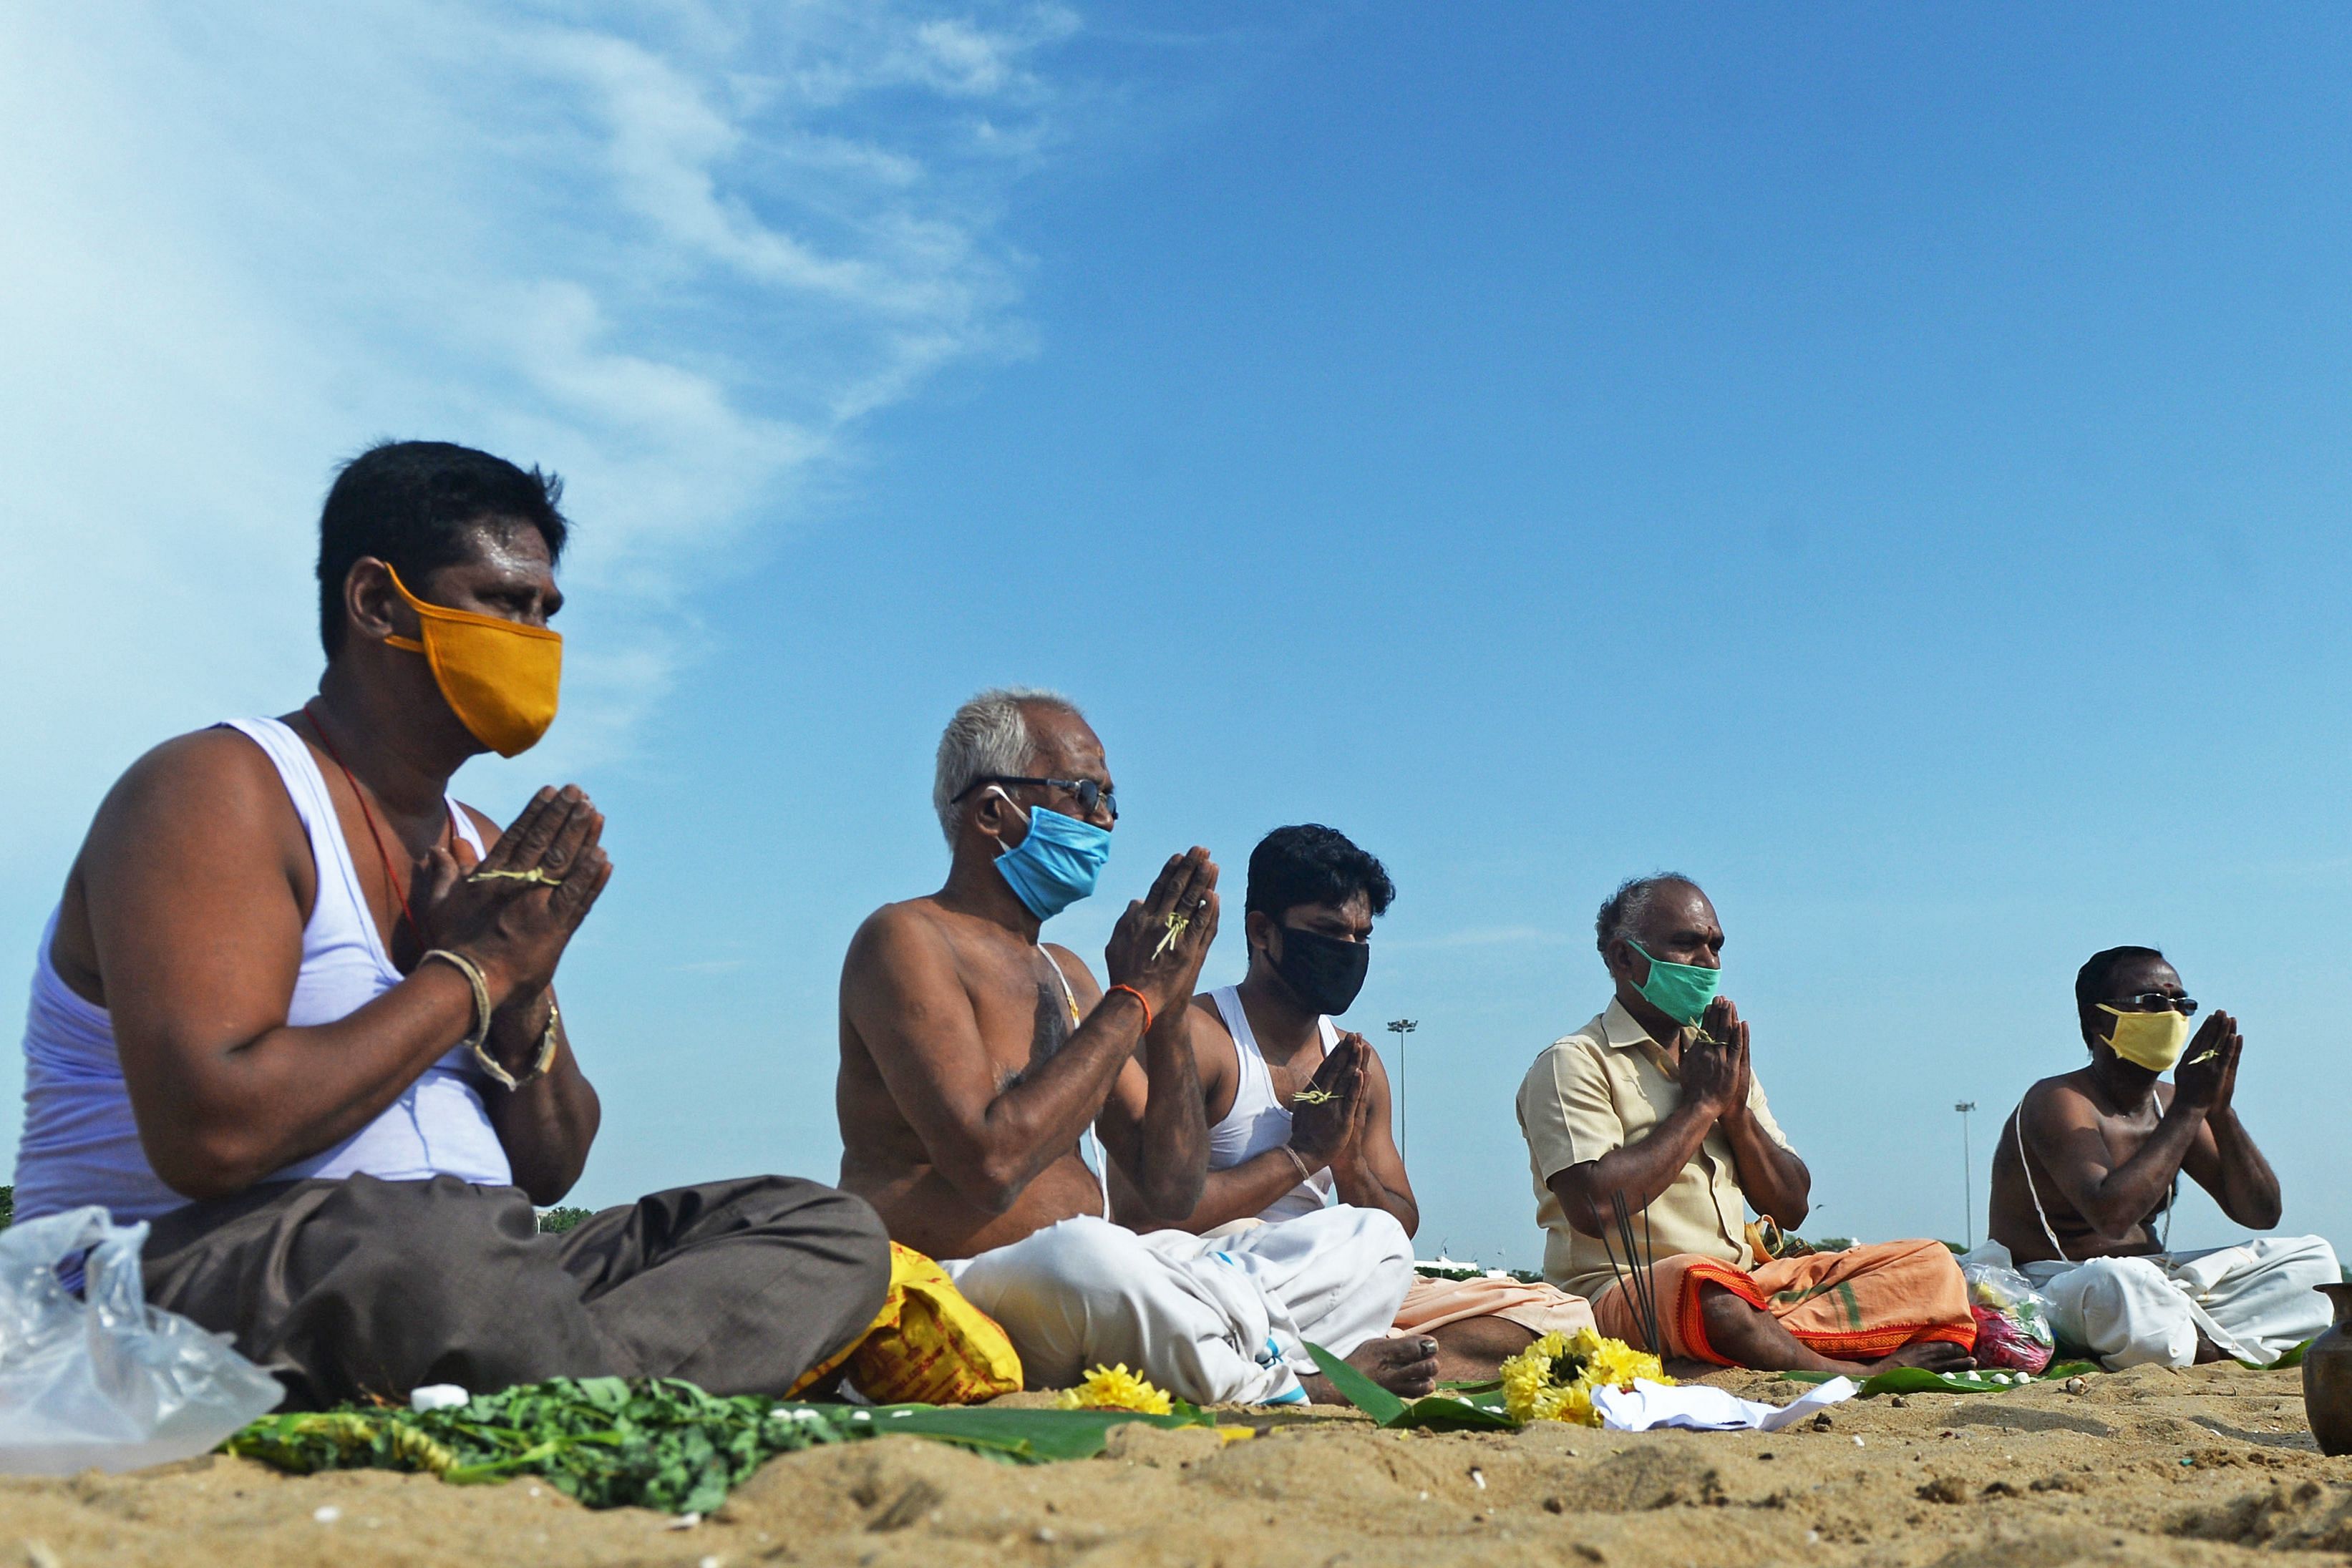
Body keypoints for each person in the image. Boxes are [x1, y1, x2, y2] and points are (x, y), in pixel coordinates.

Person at [14, 440, 890, 1409]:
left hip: (468, 1262)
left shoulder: (480, 843)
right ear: (377, 604)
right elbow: (211, 1137)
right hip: (179, 1273)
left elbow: (552, 1167)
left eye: (547, 610)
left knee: (823, 1228)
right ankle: (579, 1375)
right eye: (502, 601)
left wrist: (516, 994)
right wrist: (467, 970)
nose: (535, 632)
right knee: (439, 1254)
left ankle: (547, 1369)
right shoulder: (217, 790)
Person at [836, 691, 1429, 1406]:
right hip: (962, 1289)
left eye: (1113, 800)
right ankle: (1281, 1378)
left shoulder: (1066, 972)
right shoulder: (905, 940)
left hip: (1112, 1275)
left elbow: (1168, 1188)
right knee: (1090, 1257)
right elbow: (988, 1165)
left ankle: (1224, 1337)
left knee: (1372, 1243)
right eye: (1086, 795)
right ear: (993, 812)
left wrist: (1170, 1011)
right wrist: (1137, 997)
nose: (1107, 820)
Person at [1112, 824, 1593, 1382]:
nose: (1349, 951)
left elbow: (1401, 1220)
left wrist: (1345, 1159)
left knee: (1559, 1318)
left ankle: (1327, 1360)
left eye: (1361, 937)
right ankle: (1308, 1361)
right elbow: (1142, 1216)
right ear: (1262, 931)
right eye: (1328, 932)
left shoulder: (1354, 1060)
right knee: (1369, 1244)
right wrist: (1299, 1156)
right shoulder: (1196, 1035)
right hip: (1208, 1273)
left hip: (1334, 1278)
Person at [1516, 874, 1976, 1373]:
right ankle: (1852, 1370)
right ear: (1624, 958)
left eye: (1715, 946)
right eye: (1686, 945)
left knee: (1932, 1264)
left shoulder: (1719, 1060)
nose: (1709, 963)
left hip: (1750, 1285)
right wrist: (1699, 1108)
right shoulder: (1576, 1061)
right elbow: (1593, 1205)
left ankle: (1769, 1341)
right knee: (1706, 1287)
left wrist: (1734, 1110)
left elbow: (1792, 1204)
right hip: (1627, 1293)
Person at [1986, 945, 2337, 1370]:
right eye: (2152, 1003)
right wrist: (2191, 1108)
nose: (2172, 1015)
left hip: (2157, 1280)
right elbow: (2111, 1218)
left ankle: (2192, 1339)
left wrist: (2220, 1112)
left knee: (2312, 1260)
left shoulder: (2172, 1103)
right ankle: (2208, 1342)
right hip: (2059, 1284)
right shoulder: (2059, 1100)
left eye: (2181, 1003)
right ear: (2098, 1020)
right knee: (2120, 1282)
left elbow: (2261, 1213)